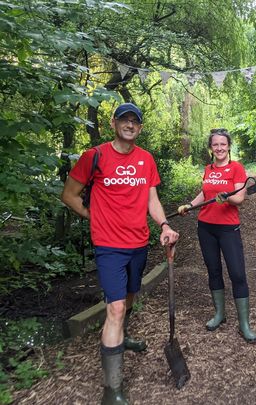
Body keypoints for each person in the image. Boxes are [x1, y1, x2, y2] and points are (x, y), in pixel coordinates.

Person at [61, 103, 179, 404]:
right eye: (124, 120)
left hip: (138, 243)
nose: (130, 125)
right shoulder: (95, 156)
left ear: (139, 127)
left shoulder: (146, 159)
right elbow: (69, 195)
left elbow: (151, 197)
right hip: (109, 245)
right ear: (114, 123)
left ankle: (123, 337)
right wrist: (94, 216)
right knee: (114, 308)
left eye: (135, 121)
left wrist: (164, 224)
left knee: (128, 298)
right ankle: (111, 390)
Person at [177, 128, 256, 343]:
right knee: (213, 271)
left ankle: (244, 324)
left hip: (228, 228)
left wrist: (228, 198)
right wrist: (190, 206)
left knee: (238, 274)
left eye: (223, 144)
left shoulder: (236, 168)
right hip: (206, 227)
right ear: (211, 148)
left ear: (228, 146)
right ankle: (220, 314)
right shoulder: (208, 168)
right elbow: (205, 193)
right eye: (215, 145)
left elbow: (240, 198)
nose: (219, 148)